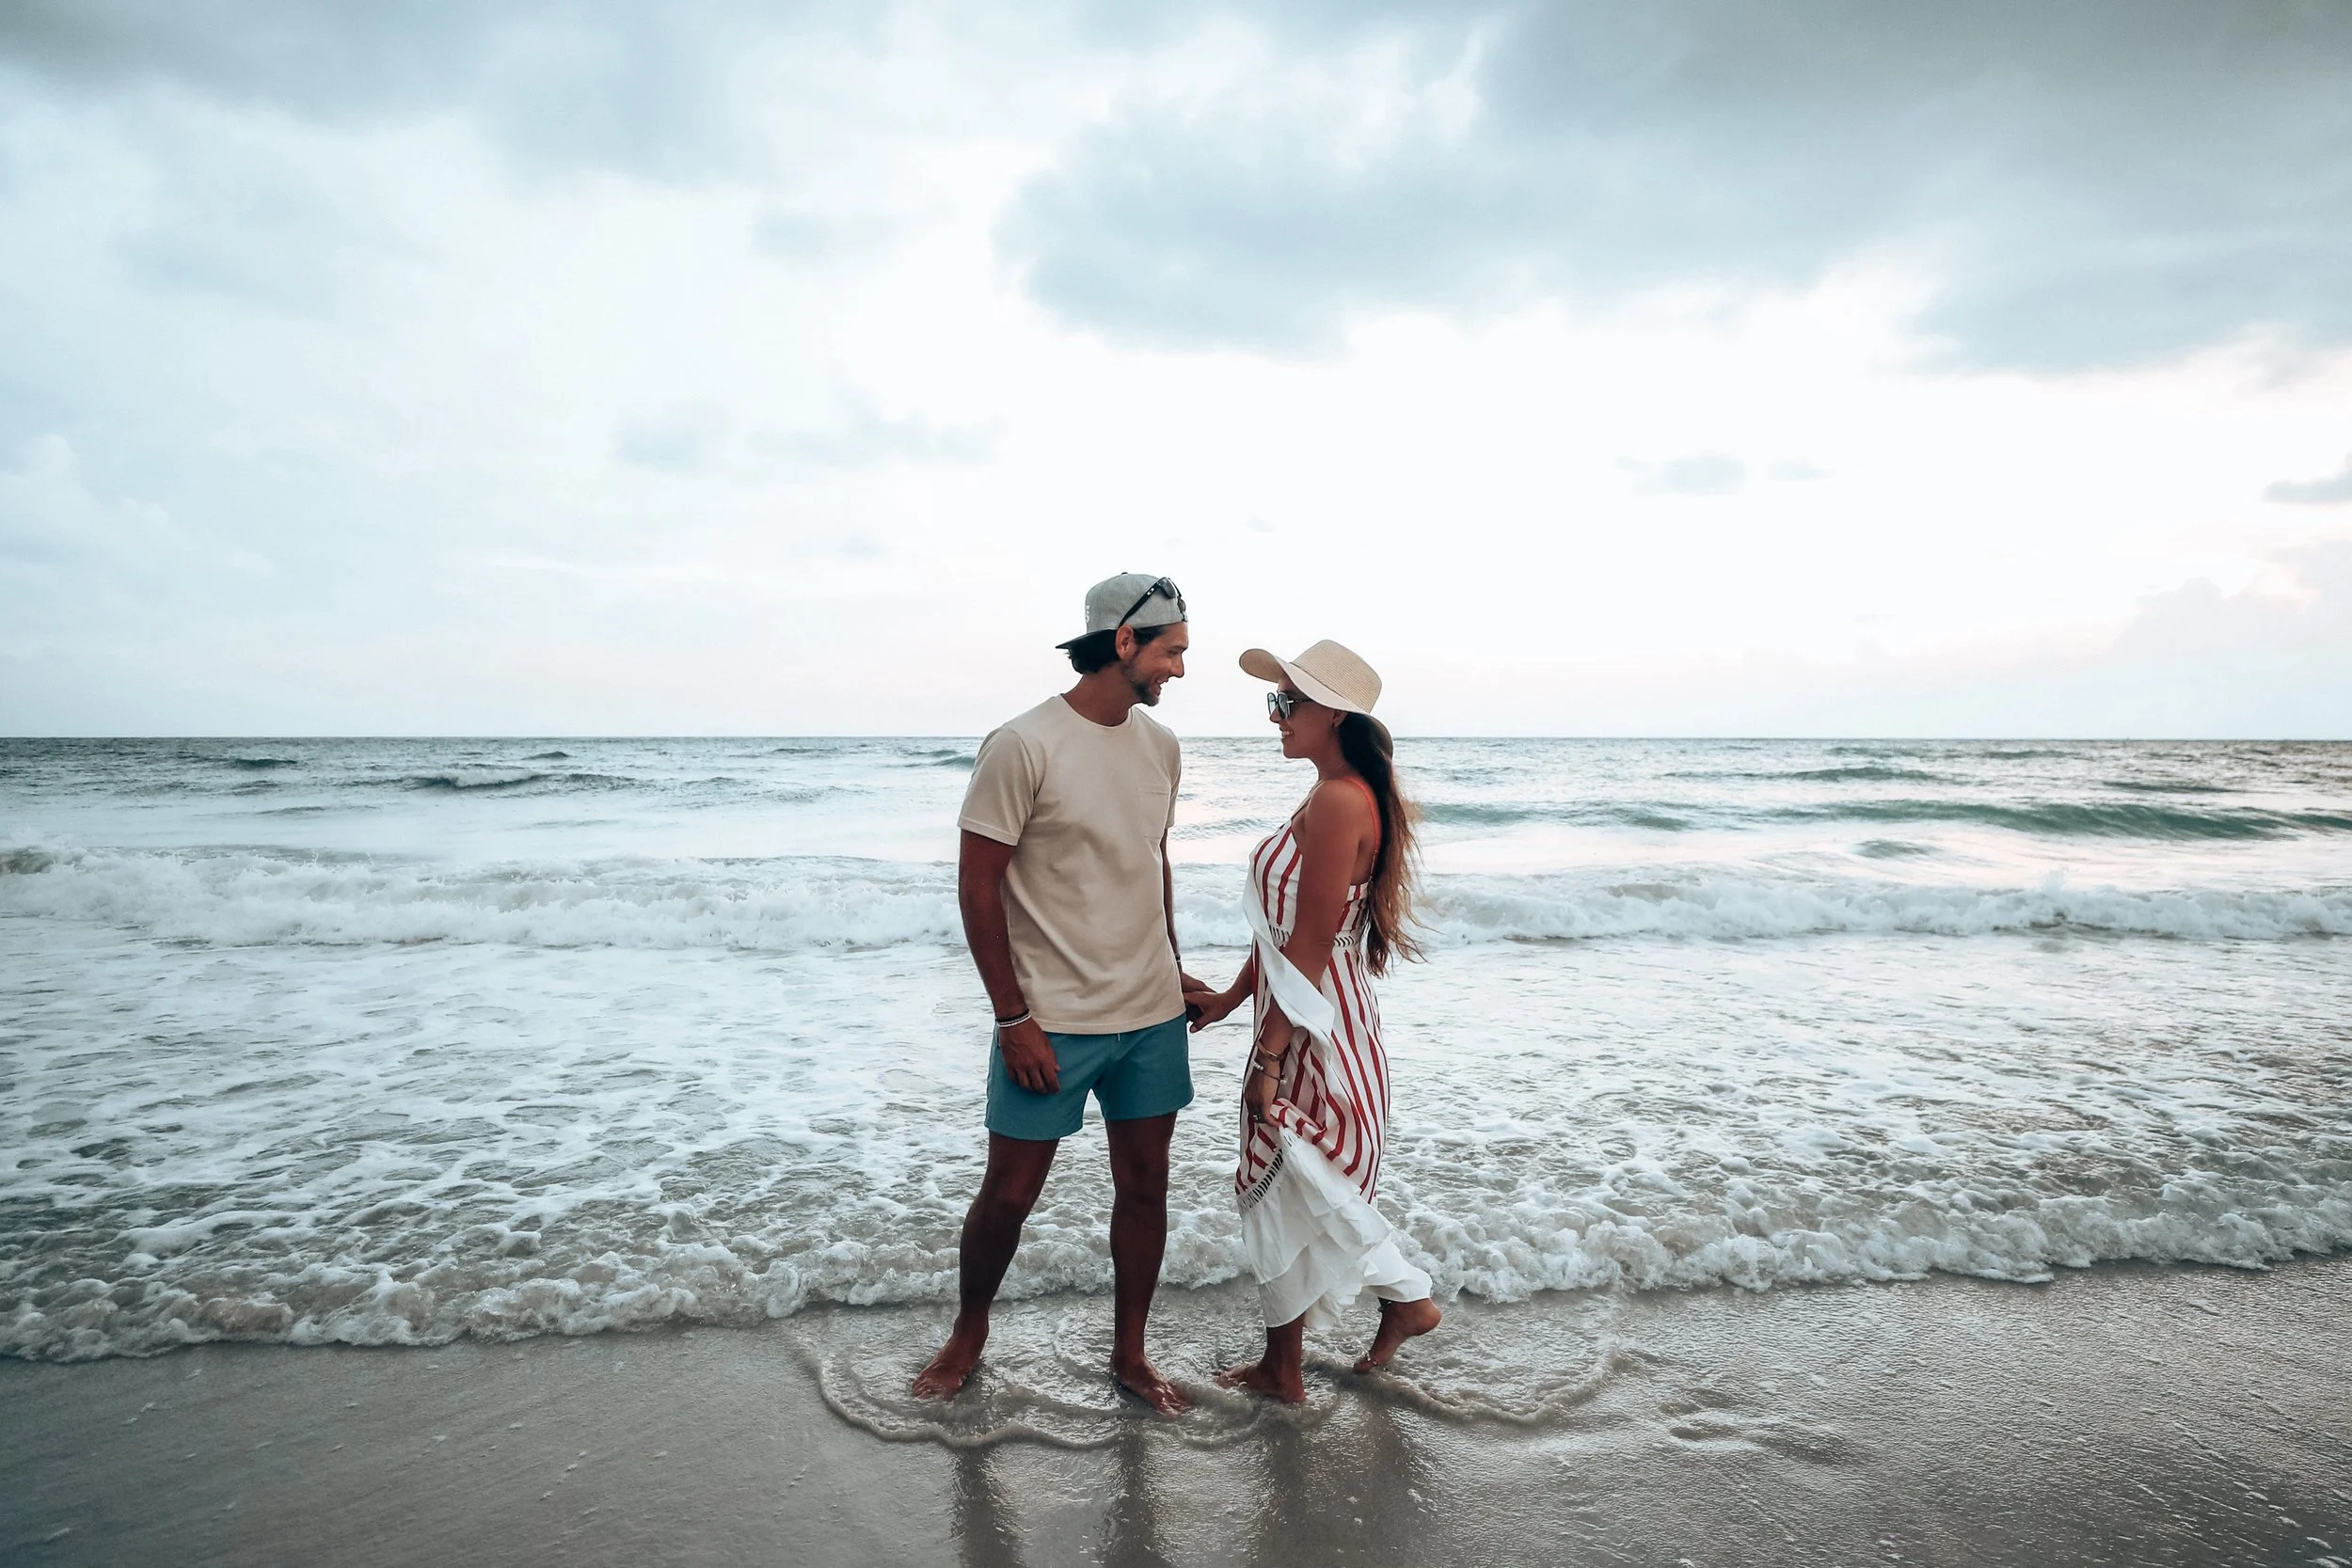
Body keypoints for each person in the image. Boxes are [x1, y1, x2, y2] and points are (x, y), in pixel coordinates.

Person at [911, 574, 1202, 1415]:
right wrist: (1012, 1017)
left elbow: (1152, 862)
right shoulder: (1022, 743)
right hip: (1052, 1021)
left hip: (1150, 1016)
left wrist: (1172, 963)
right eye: (1172, 650)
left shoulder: (1162, 747)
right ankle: (969, 1332)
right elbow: (977, 888)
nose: (1179, 669)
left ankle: (1130, 1353)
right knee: (1009, 1193)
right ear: (1123, 642)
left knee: (1147, 1186)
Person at [1183, 640, 1439, 1402]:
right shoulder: (1334, 790)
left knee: (1294, 1170)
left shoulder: (1337, 800)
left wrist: (1267, 1060)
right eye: (1276, 703)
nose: (1276, 718)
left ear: (1334, 714)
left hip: (1317, 1030)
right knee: (1292, 1179)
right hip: (1307, 1014)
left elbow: (1312, 941)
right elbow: (1284, 928)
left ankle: (1398, 1303)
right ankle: (1295, 1358)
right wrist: (1232, 1000)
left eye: (1287, 704)